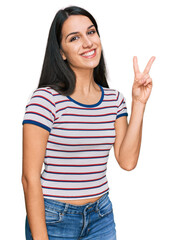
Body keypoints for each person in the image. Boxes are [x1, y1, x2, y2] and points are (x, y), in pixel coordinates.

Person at [21, 5, 155, 240]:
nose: (87, 43)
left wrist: (139, 103)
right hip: (54, 218)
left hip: (100, 216)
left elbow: (127, 161)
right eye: (74, 38)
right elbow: (29, 177)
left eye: (91, 32)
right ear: (61, 52)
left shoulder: (114, 100)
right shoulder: (45, 100)